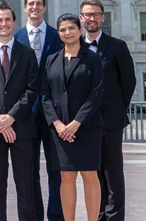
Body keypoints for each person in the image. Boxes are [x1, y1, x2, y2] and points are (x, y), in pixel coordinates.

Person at [0, 3, 41, 221]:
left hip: (21, 127)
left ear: (14, 22)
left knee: (25, 186)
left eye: (7, 19)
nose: (3, 24)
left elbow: (32, 89)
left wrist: (11, 117)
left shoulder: (28, 54)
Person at [41, 14, 103, 221]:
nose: (67, 32)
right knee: (66, 177)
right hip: (60, 130)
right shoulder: (51, 60)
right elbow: (45, 96)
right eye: (63, 29)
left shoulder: (93, 58)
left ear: (79, 30)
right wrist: (58, 124)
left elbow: (96, 93)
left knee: (89, 175)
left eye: (71, 28)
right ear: (58, 34)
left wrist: (76, 123)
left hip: (86, 127)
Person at [79, 0, 135, 221]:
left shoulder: (117, 46)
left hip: (110, 120)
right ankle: (98, 214)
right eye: (87, 15)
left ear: (103, 18)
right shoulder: (75, 47)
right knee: (93, 173)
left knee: (112, 173)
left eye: (95, 15)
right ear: (81, 18)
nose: (91, 19)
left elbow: (128, 82)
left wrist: (117, 109)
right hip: (85, 122)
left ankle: (113, 216)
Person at [14, 0, 62, 221]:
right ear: (25, 8)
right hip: (25, 115)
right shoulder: (16, 38)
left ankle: (56, 215)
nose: (35, 7)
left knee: (57, 170)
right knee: (28, 171)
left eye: (39, 4)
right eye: (30, 4)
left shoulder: (58, 36)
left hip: (54, 114)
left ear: (44, 8)